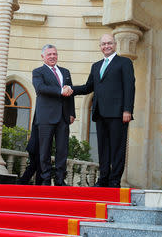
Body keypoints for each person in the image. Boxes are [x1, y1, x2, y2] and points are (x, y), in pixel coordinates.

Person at [66, 34, 135, 188]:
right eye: (103, 44)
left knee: (118, 148)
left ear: (115, 45)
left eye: (109, 43)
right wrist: (72, 89)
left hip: (118, 114)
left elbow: (130, 87)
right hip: (100, 113)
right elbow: (88, 87)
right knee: (103, 149)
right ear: (100, 46)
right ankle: (103, 178)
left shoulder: (124, 62)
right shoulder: (96, 66)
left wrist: (127, 110)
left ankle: (114, 180)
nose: (106, 46)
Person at [32, 44, 75, 186]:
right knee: (45, 149)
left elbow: (70, 93)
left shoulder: (65, 71)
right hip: (45, 117)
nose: (52, 56)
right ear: (43, 56)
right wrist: (59, 91)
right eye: (49, 54)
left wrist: (72, 112)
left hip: (63, 116)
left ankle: (59, 179)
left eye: (54, 54)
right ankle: (45, 179)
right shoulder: (38, 72)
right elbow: (40, 88)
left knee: (62, 149)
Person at [17, 114, 43, 185]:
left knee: (33, 166)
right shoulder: (40, 119)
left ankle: (22, 182)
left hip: (33, 146)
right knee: (39, 167)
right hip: (36, 146)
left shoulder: (38, 117)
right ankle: (38, 186)